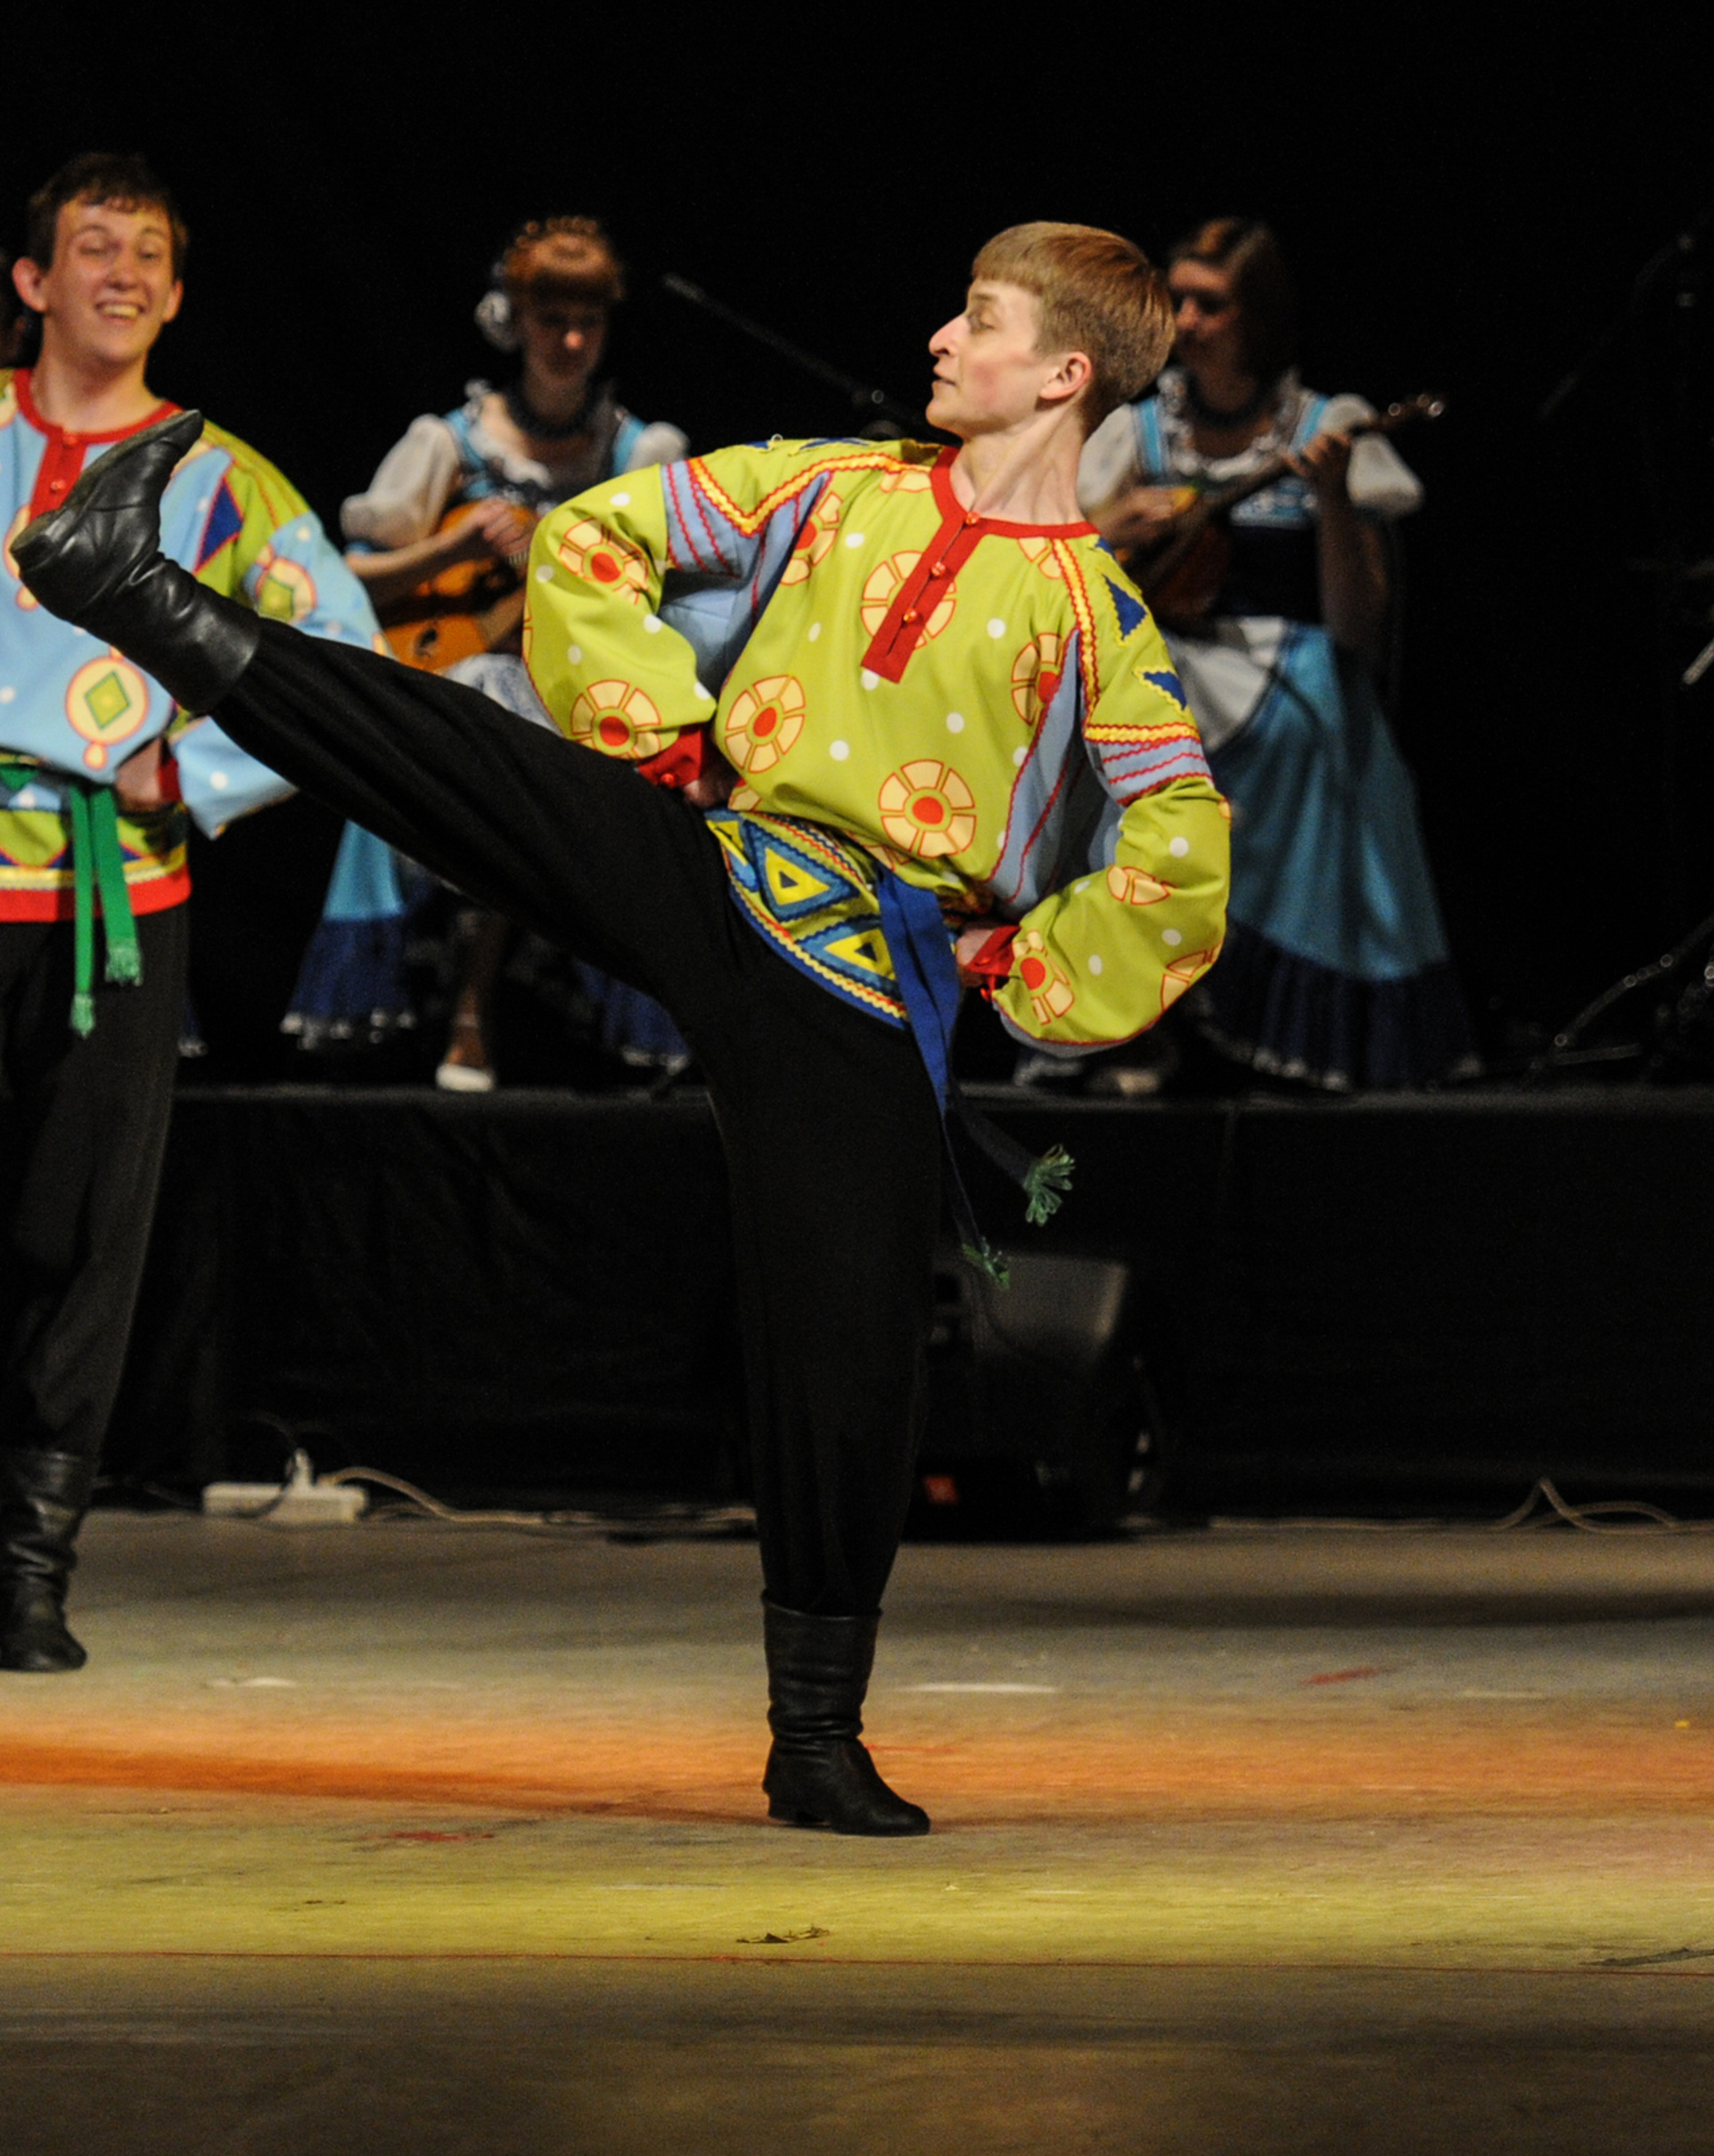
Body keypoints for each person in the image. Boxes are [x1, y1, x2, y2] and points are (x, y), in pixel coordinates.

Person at [16, 221, 1228, 1833]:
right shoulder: (829, 484)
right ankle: (138, 590)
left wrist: (1013, 964)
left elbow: (1179, 861)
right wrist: (655, 742)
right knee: (460, 761)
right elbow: (598, 538)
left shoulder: (1101, 624)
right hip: (717, 866)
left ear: (1064, 373)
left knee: (848, 1347)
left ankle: (817, 1737)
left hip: (862, 986)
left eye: (980, 320)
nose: (941, 337)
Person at [0, 152, 377, 1669]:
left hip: (112, 903)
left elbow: (343, 657)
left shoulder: (218, 476)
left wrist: (197, 767)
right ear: (31, 281)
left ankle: (27, 1572)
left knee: (79, 1238)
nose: (124, 272)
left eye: (149, 252)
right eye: (93, 247)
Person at [291, 217, 689, 1086]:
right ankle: (467, 1003)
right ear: (514, 319)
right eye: (553, 320)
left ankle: (497, 1005)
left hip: (589, 705)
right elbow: (349, 579)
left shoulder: (637, 454)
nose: (573, 341)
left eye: (589, 321)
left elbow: (675, 598)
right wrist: (457, 548)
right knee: (486, 697)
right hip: (463, 700)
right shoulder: (454, 443)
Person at [1078, 217, 1473, 1093]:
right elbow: (1060, 580)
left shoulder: (1325, 424)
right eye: (1175, 299)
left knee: (1314, 715)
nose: (1183, 320)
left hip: (1291, 656)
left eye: (1208, 304)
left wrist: (1332, 499)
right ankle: (1144, 1017)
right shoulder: (1137, 432)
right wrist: (1104, 531)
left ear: (1256, 315)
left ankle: (1273, 1015)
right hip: (1168, 651)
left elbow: (1353, 626)